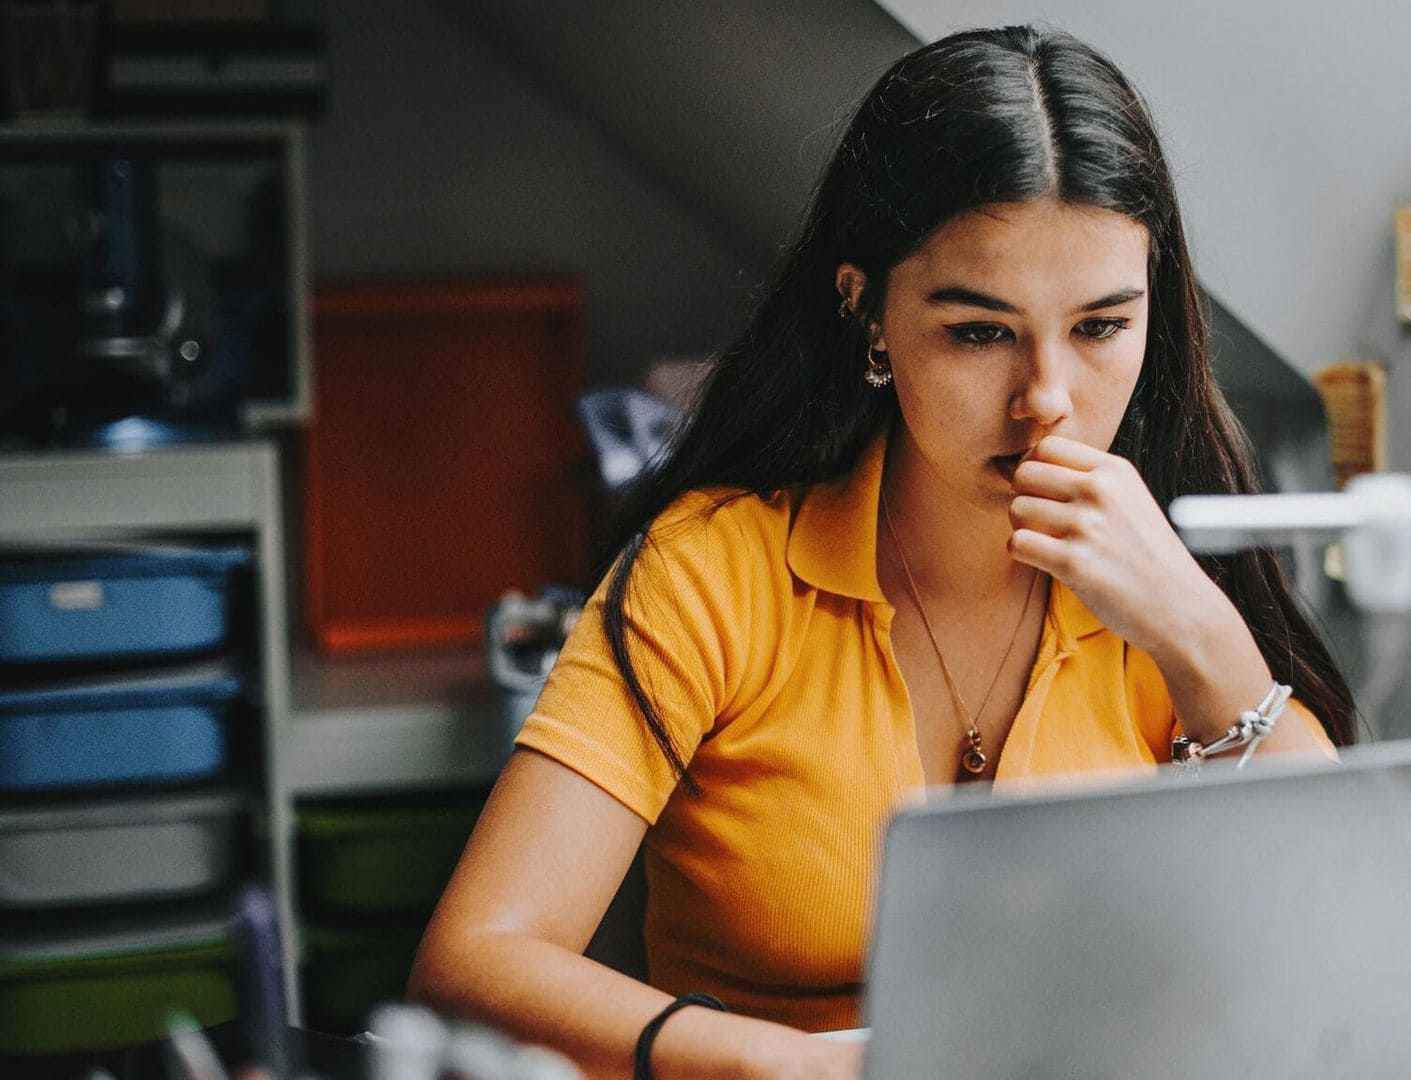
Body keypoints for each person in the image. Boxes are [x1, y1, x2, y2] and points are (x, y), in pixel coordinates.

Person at [410, 24, 1356, 1080]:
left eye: (1099, 328)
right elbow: (472, 963)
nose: (1047, 400)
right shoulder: (711, 573)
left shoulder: (1167, 583)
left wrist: (1199, 631)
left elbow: (1338, 941)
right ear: (868, 311)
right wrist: (795, 1067)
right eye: (980, 332)